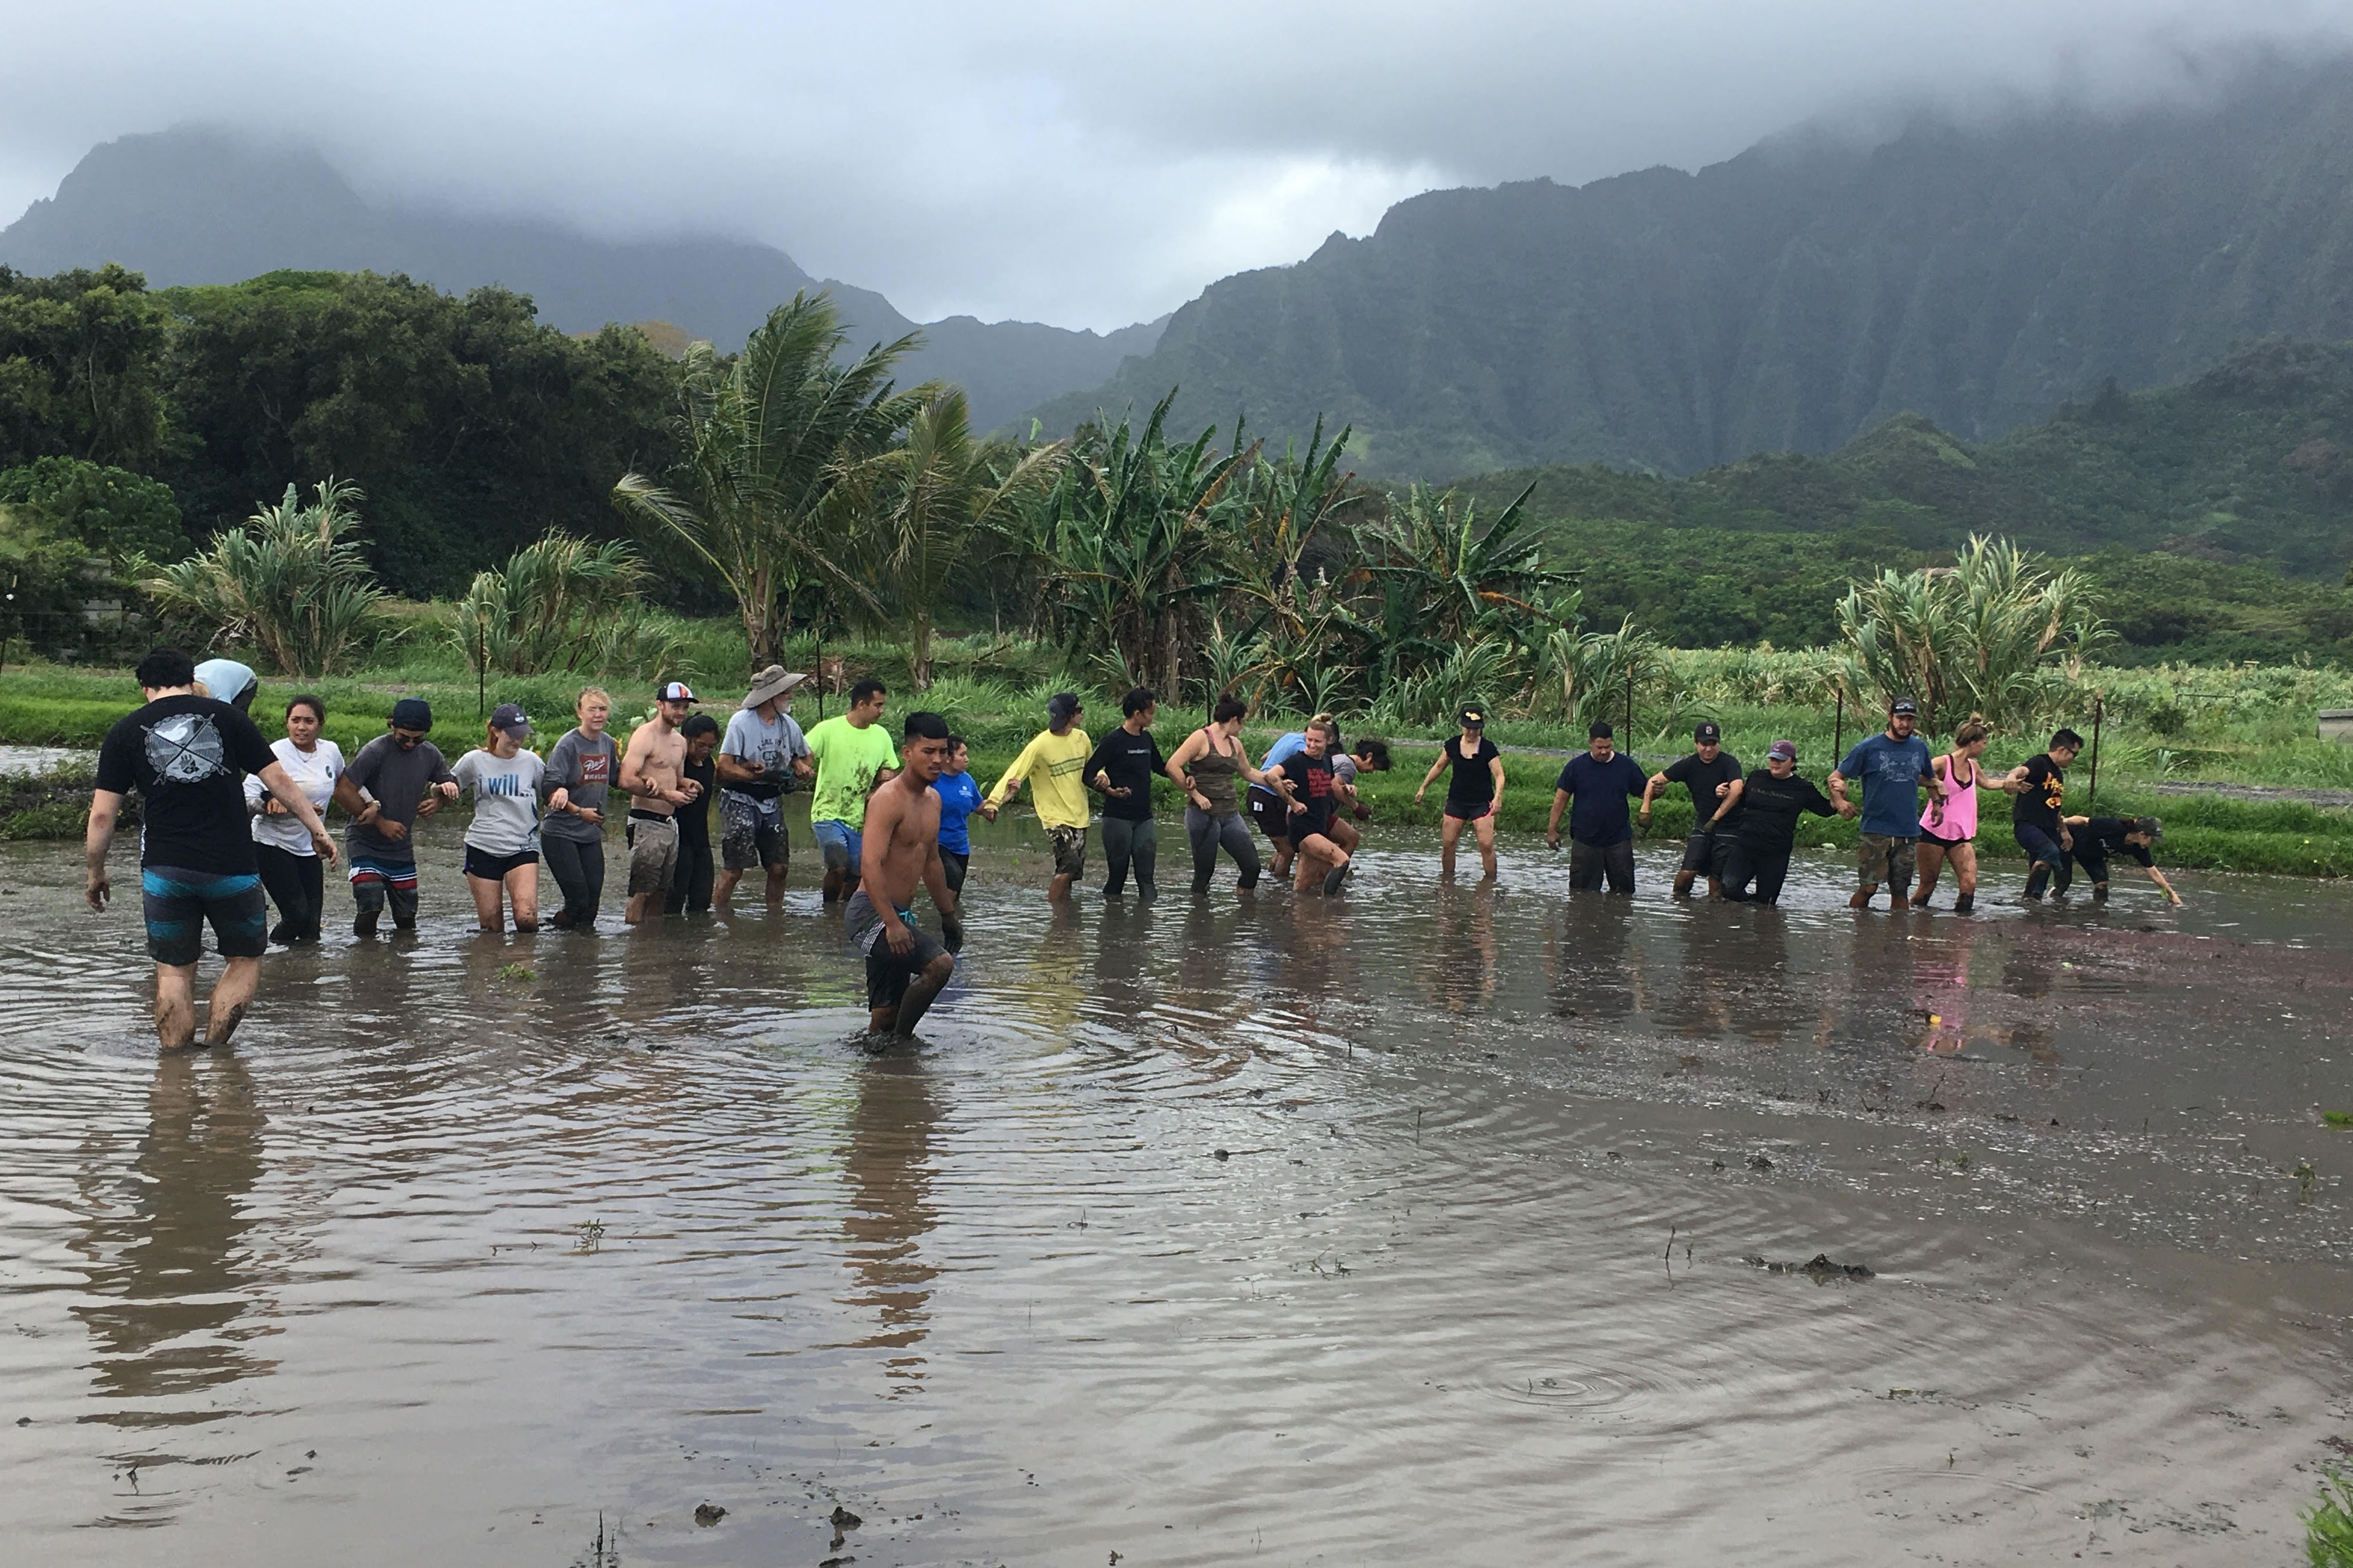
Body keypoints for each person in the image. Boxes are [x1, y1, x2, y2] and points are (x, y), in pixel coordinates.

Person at [86, 648, 339, 1051]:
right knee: (243, 960)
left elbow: (102, 817)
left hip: (165, 871)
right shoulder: (231, 719)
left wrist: (95, 871)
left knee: (173, 972)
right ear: (191, 677)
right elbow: (279, 781)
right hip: (233, 867)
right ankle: (216, 1053)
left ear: (144, 687)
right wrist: (317, 828)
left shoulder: (124, 732)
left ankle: (175, 1072)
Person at [846, 711, 962, 1037]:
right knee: (940, 966)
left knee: (884, 1017)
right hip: (870, 913)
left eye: (943, 752)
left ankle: (879, 1068)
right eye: (929, 752)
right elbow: (869, 864)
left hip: (899, 914)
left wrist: (948, 915)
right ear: (907, 753)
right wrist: (892, 924)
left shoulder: (933, 801)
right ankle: (902, 1044)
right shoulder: (887, 800)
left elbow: (932, 862)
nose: (938, 760)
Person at [334, 697, 457, 936]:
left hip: (400, 846)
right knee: (370, 905)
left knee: (407, 917)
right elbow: (343, 790)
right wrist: (380, 822)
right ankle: (365, 958)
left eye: (418, 739)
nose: (411, 744)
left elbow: (447, 782)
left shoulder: (430, 754)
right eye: (404, 738)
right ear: (391, 726)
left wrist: (438, 801)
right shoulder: (375, 751)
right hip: (364, 842)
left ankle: (398, 966)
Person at [1165, 696, 1290, 895]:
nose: (1242, 728)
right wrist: (1196, 795)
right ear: (1234, 720)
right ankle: (1199, 917)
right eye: (1242, 723)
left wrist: (1277, 783)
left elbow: (1249, 772)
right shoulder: (1200, 738)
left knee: (1252, 867)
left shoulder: (1235, 744)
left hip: (1230, 814)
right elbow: (1172, 766)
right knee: (1204, 872)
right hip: (1203, 814)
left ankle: (1244, 912)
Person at [245, 693, 343, 943]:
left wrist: (371, 805)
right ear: (287, 722)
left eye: (309, 721)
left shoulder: (330, 751)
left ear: (320, 724)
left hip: (310, 847)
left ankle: (305, 979)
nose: (301, 727)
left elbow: (345, 784)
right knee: (296, 916)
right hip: (271, 843)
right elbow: (244, 799)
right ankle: (269, 958)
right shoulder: (272, 754)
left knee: (312, 928)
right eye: (295, 720)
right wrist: (269, 804)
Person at [1829, 698, 1944, 912]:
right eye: (1901, 718)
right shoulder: (1868, 748)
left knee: (1900, 890)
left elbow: (1930, 778)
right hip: (1876, 830)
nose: (1905, 724)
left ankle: (1899, 939)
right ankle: (1856, 926)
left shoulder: (1919, 748)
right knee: (1869, 887)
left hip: (1907, 831)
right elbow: (1835, 778)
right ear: (1890, 718)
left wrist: (1937, 802)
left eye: (1910, 720)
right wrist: (1840, 802)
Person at [716, 665, 813, 912]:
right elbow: (725, 767)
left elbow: (805, 755)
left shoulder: (789, 725)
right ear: (771, 697)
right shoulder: (741, 722)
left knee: (780, 868)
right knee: (735, 869)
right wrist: (749, 774)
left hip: (772, 799)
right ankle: (718, 912)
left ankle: (774, 916)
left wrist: (799, 766)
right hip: (740, 798)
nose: (790, 697)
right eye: (786, 693)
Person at [981, 691, 1092, 904]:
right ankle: (1053, 912)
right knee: (1070, 865)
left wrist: (1103, 778)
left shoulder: (1082, 739)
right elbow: (1015, 772)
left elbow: (1092, 768)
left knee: (1070, 872)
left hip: (1080, 813)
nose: (1082, 714)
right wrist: (994, 802)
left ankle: (1065, 918)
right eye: (1078, 710)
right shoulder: (1040, 745)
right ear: (1069, 716)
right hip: (1054, 816)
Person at [452, 703, 547, 933]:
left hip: (522, 846)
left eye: (522, 735)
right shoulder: (473, 760)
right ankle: (492, 966)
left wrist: (565, 797)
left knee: (526, 918)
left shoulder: (532, 762)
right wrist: (436, 796)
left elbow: (552, 791)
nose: (518, 741)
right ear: (495, 731)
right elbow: (450, 786)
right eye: (512, 735)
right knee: (491, 927)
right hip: (483, 845)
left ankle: (524, 967)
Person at [804, 678, 898, 905]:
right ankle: (828, 908)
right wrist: (803, 769)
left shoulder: (882, 736)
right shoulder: (827, 729)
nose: (882, 711)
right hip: (827, 811)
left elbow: (891, 770)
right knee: (838, 865)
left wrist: (882, 782)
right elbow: (804, 756)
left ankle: (845, 913)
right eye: (878, 705)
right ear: (861, 705)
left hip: (862, 816)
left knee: (857, 875)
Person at [617, 682, 703, 925]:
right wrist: (666, 795)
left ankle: (652, 946)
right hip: (645, 821)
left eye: (685, 708)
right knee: (642, 891)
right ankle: (634, 945)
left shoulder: (679, 741)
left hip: (669, 823)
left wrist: (688, 785)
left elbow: (676, 779)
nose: (681, 713)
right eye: (675, 706)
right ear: (659, 705)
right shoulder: (645, 735)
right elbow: (625, 780)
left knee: (662, 892)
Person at [1714, 740, 1837, 905]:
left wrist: (1838, 793)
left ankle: (1758, 920)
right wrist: (1724, 793)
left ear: (1793, 763)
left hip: (1776, 853)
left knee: (1767, 903)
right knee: (1729, 889)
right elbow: (1740, 802)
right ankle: (1741, 919)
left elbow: (1827, 811)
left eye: (1781, 760)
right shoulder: (1757, 777)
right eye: (1773, 759)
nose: (1775, 763)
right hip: (1746, 846)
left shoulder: (1803, 788)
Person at [542, 687, 619, 931]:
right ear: (579, 712)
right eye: (592, 709)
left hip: (591, 833)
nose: (598, 715)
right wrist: (578, 812)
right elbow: (549, 788)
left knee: (592, 905)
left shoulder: (608, 743)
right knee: (578, 900)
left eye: (603, 709)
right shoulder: (568, 744)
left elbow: (618, 778)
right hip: (560, 832)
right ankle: (553, 933)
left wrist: (653, 782)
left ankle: (584, 957)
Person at [1641, 721, 1743, 899]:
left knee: (1716, 882)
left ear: (1719, 743)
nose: (1709, 749)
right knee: (1687, 871)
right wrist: (1646, 809)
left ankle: (1712, 918)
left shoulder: (1729, 763)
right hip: (1704, 822)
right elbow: (1653, 781)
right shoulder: (1688, 765)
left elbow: (1737, 790)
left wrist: (1717, 817)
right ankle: (1679, 905)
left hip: (1729, 825)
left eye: (1713, 744)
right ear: (1696, 743)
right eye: (1704, 745)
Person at [1547, 722, 1647, 892]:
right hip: (1586, 840)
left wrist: (1657, 790)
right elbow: (1560, 799)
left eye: (1608, 747)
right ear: (1590, 742)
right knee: (1582, 894)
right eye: (1600, 747)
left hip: (1618, 840)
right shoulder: (1576, 767)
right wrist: (1552, 829)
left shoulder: (1627, 766)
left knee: (1624, 893)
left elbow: (1643, 793)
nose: (1604, 751)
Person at [1086, 686, 1165, 899]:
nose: (1153, 717)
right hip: (1117, 817)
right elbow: (1088, 774)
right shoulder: (1114, 741)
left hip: (1144, 817)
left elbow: (1161, 767)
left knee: (1147, 877)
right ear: (1137, 714)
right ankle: (1113, 925)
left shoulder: (1146, 739)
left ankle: (1146, 926)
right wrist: (1109, 791)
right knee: (1117, 876)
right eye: (1151, 713)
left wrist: (1188, 775)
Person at [1416, 706, 1506, 880]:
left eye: (1476, 728)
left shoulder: (1487, 748)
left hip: (1482, 802)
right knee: (1448, 844)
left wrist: (1498, 797)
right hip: (1457, 801)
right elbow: (1439, 767)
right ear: (1461, 726)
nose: (1472, 732)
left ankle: (1491, 882)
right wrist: (1423, 787)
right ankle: (1448, 881)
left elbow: (1499, 775)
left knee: (1486, 844)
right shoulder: (1452, 745)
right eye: (1468, 728)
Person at [1911, 718, 1990, 912]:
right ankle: (1910, 921)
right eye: (1984, 743)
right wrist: (1937, 786)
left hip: (1960, 834)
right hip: (1933, 832)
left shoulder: (1974, 766)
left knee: (1969, 882)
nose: (1985, 747)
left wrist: (2011, 784)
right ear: (1973, 743)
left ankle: (1962, 929)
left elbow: (1988, 784)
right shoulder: (1942, 763)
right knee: (1928, 885)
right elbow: (1918, 776)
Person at [2000, 728, 2083, 902]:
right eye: (2073, 755)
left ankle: (2034, 903)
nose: (2074, 759)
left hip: (2049, 827)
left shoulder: (2058, 774)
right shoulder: (2039, 763)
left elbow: (2055, 805)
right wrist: (2011, 777)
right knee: (2050, 852)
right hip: (2028, 825)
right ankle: (2026, 896)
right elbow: (2022, 770)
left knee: (2044, 871)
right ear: (2062, 750)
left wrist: (2064, 831)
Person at [1276, 717, 1352, 894]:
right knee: (1342, 861)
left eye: (1317, 741)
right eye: (1309, 740)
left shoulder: (1326, 760)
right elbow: (1271, 775)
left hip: (1319, 824)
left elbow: (1331, 785)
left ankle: (1299, 914)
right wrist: (1291, 801)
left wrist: (1347, 789)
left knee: (1302, 887)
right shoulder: (1297, 761)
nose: (1311, 745)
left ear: (1329, 741)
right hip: (1303, 828)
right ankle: (1331, 910)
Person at [2063, 812, 2183, 905]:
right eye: (2152, 840)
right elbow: (2084, 820)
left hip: (2091, 855)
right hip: (2069, 842)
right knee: (2063, 883)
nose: (2151, 844)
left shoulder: (2139, 849)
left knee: (2102, 885)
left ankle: (2097, 913)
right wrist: (2062, 822)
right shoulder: (2113, 826)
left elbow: (2154, 874)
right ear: (2142, 835)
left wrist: (2172, 894)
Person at [667, 713, 720, 915]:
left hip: (701, 839)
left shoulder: (708, 765)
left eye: (711, 747)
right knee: (674, 898)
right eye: (700, 745)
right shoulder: (678, 763)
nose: (706, 751)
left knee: (702, 899)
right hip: (679, 838)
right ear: (686, 739)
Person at [935, 734, 985, 908]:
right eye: (962, 755)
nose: (967, 759)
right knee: (954, 879)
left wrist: (1005, 795)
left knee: (954, 894)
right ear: (948, 758)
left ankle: (946, 922)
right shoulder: (933, 780)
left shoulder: (967, 780)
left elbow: (979, 807)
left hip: (961, 847)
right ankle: (943, 922)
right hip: (937, 844)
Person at [192, 657, 258, 713]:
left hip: (247, 679)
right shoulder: (186, 681)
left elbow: (227, 713)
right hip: (218, 670)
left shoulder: (220, 695)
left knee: (236, 716)